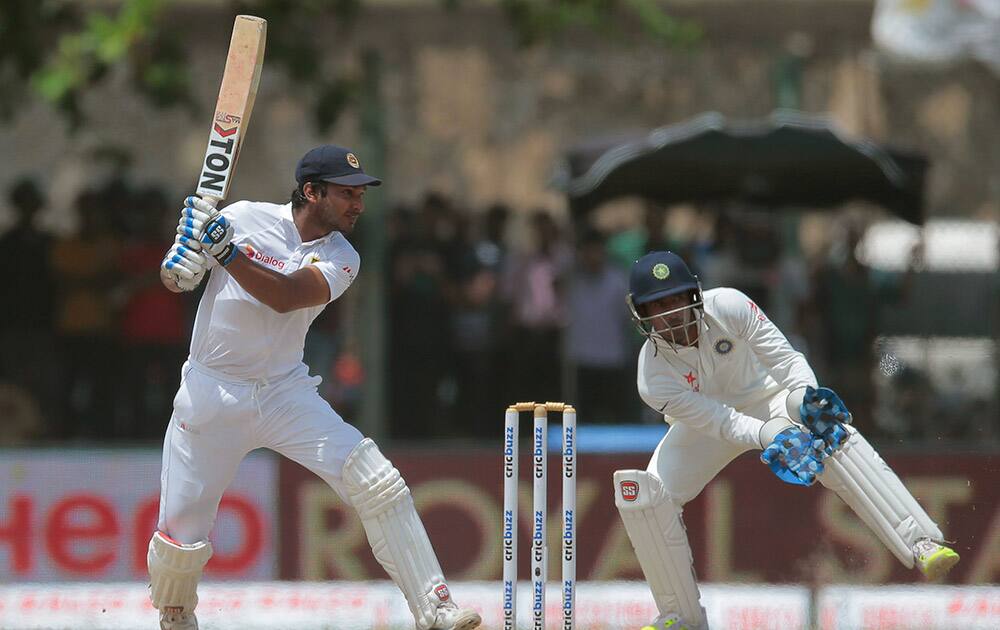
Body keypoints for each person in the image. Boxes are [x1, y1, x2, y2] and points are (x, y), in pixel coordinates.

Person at [154, 145, 482, 630]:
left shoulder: (342, 255)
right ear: (312, 191)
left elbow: (285, 298)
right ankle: (176, 617)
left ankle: (435, 609)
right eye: (347, 194)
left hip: (285, 393)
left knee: (377, 479)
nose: (358, 205)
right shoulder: (243, 217)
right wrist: (184, 255)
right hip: (211, 393)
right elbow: (179, 278)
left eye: (360, 194)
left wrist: (225, 251)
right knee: (181, 536)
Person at [612, 251, 960, 630]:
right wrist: (767, 434)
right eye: (657, 306)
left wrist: (804, 398)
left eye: (675, 299)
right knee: (644, 494)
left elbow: (786, 360)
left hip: (770, 397)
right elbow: (718, 420)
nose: (669, 313)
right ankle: (680, 617)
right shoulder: (652, 376)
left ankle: (921, 542)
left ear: (693, 294)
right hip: (706, 426)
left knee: (828, 429)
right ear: (640, 312)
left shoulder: (729, 305)